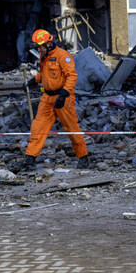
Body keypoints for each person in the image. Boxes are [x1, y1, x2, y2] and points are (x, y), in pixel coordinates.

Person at [23, 29, 89, 169]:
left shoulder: (63, 56)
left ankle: (83, 157)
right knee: (38, 127)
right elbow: (44, 74)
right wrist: (33, 80)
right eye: (37, 47)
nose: (38, 49)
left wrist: (64, 94)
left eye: (40, 46)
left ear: (48, 43)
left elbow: (72, 76)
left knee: (71, 127)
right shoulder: (44, 56)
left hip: (62, 97)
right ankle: (30, 158)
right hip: (47, 97)